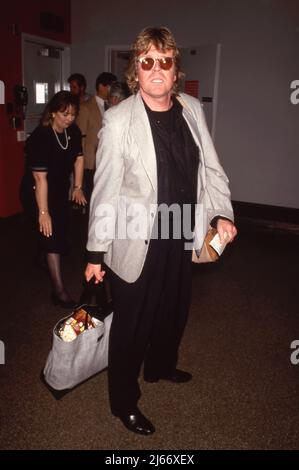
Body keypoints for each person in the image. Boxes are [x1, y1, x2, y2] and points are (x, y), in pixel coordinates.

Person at [85, 27, 237, 436]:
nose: (156, 69)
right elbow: (105, 192)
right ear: (136, 69)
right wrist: (95, 253)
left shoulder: (191, 107)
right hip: (137, 237)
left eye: (164, 61)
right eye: (147, 61)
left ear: (175, 70)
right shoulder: (118, 121)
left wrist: (220, 214)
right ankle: (123, 401)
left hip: (180, 232)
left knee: (174, 310)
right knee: (132, 324)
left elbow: (210, 167)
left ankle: (161, 367)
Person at [22, 91, 87, 308]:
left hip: (59, 189)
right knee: (50, 234)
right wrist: (43, 212)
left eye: (73, 114)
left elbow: (79, 158)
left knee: (58, 230)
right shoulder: (41, 137)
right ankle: (59, 292)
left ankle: (42, 254)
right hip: (37, 192)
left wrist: (77, 187)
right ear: (52, 112)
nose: (69, 118)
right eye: (64, 113)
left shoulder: (73, 132)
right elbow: (40, 179)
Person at [76, 72, 117, 204]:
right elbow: (80, 137)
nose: (113, 91)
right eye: (111, 87)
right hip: (90, 162)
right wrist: (80, 162)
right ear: (101, 86)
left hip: (108, 159)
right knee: (91, 198)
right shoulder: (85, 107)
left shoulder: (114, 105)